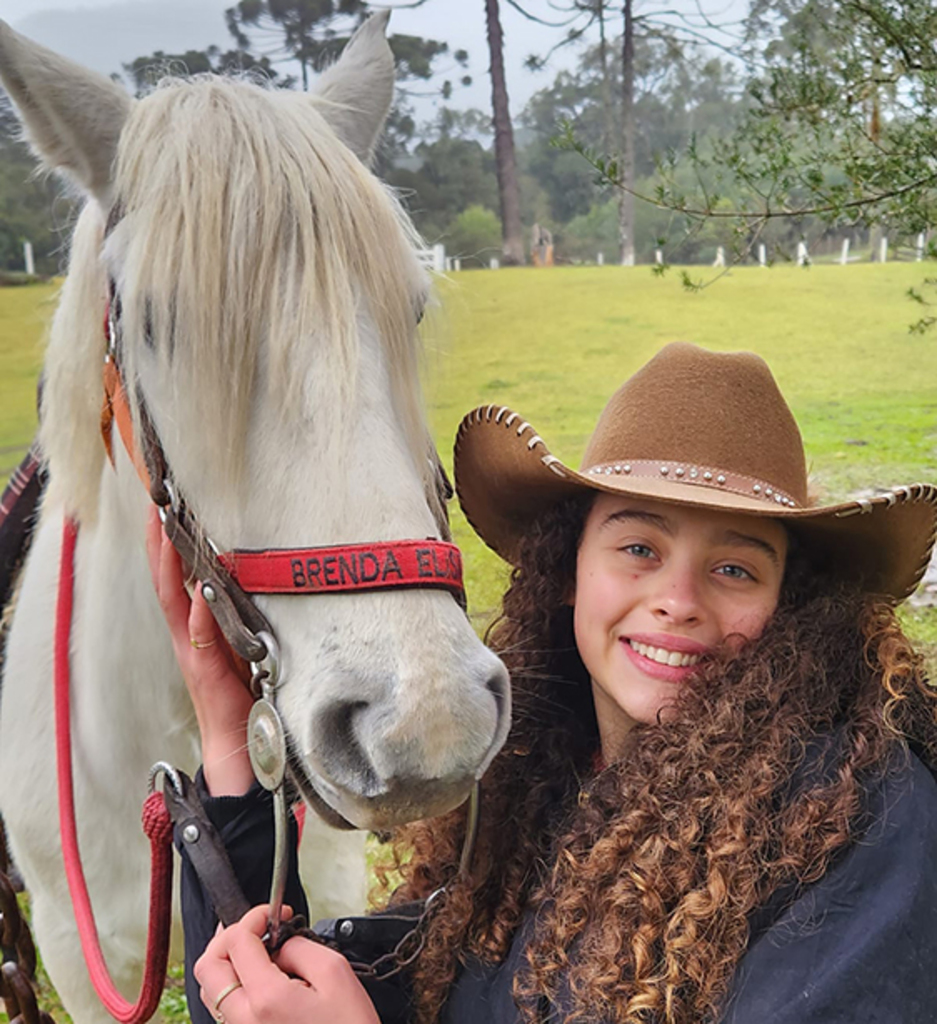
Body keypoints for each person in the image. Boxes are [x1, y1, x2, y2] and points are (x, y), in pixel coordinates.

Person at [147, 342, 937, 1024]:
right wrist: (228, 741)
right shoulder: (535, 789)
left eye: (734, 567)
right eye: (638, 548)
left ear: (787, 604)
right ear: (568, 572)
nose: (677, 600)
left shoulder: (862, 823)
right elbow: (346, 994)